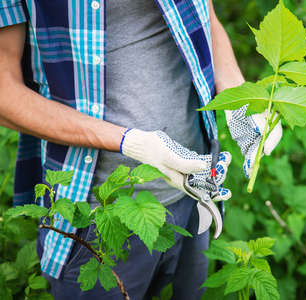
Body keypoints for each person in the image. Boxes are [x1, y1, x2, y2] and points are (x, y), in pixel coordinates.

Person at [0, 0, 282, 299]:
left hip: (196, 195)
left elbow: (205, 15)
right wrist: (131, 142)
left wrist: (239, 98)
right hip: (96, 217)